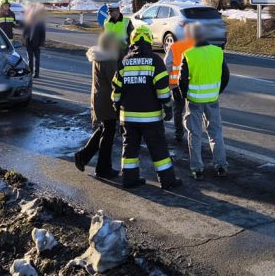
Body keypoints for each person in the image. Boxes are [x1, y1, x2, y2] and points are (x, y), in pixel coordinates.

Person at [111, 26, 181, 190]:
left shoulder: (124, 61)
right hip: (150, 117)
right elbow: (163, 91)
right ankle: (167, 181)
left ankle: (129, 179)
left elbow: (116, 91)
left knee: (129, 149)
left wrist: (116, 107)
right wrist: (168, 107)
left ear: (132, 40)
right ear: (149, 39)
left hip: (127, 117)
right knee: (158, 149)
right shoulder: (155, 60)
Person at [180, 23, 230, 180]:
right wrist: (216, 91)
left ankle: (197, 168)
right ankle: (221, 165)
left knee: (194, 133)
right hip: (212, 99)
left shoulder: (188, 54)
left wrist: (184, 95)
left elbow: (182, 80)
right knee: (216, 132)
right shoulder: (218, 52)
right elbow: (225, 76)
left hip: (194, 100)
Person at [73, 32, 121, 180]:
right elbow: (116, 82)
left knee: (105, 129)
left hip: (100, 98)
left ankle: (83, 155)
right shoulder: (109, 59)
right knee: (108, 134)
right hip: (108, 100)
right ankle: (102, 168)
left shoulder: (99, 56)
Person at [164, 28, 195, 144]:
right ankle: (193, 134)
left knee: (178, 110)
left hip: (176, 85)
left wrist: (165, 83)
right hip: (193, 84)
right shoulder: (196, 47)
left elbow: (167, 66)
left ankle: (179, 134)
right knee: (192, 110)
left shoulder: (174, 47)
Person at [23, 9, 46, 77]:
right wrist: (26, 37)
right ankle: (30, 72)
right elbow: (24, 33)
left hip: (37, 44)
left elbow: (43, 35)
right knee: (30, 59)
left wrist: (41, 44)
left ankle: (36, 73)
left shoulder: (41, 23)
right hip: (29, 44)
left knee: (37, 60)